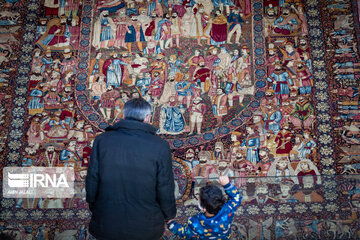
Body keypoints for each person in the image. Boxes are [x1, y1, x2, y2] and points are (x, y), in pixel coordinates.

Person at [86, 97, 176, 240]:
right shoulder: (160, 145)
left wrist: (94, 205)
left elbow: (92, 178)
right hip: (146, 224)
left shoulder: (102, 140)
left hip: (107, 219)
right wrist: (169, 214)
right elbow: (165, 185)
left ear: (123, 115)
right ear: (147, 117)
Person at [167, 176, 241, 239]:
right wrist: (227, 185)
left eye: (199, 198)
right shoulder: (228, 209)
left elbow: (184, 233)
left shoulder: (194, 222)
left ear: (204, 208)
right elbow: (236, 198)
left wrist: (171, 224)